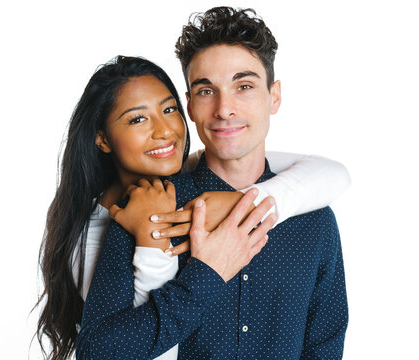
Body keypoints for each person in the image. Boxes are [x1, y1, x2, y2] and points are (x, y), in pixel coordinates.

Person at [76, 6, 348, 360]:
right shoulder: (148, 210)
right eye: (206, 91)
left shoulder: (315, 220)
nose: (224, 109)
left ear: (275, 96)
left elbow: (324, 345)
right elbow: (97, 354)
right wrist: (205, 276)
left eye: (244, 86)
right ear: (189, 105)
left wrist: (245, 201)